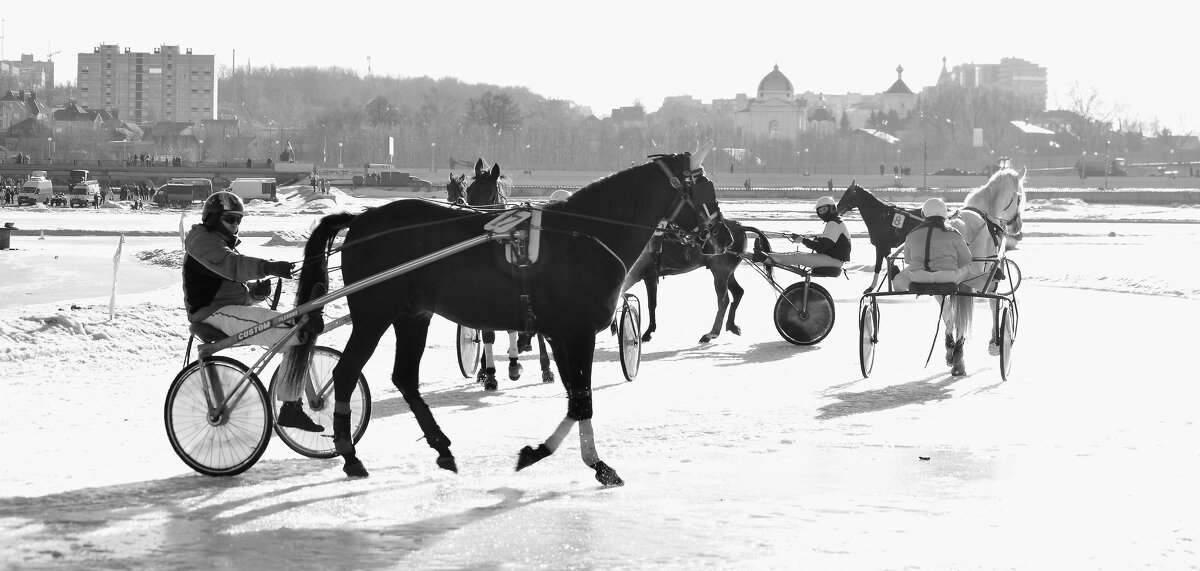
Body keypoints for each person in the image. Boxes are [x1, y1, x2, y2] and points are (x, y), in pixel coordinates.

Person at [182, 191, 323, 432]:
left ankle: (291, 403)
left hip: (225, 311)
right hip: (211, 314)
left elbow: (232, 287)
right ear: (213, 218)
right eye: (230, 219)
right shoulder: (202, 242)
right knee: (296, 328)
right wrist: (268, 267)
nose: (236, 225)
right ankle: (290, 408)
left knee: (298, 330)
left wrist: (255, 294)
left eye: (239, 220)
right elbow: (233, 267)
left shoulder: (218, 243)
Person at [891, 198, 973, 292]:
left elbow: (908, 260)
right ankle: (991, 287)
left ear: (923, 214)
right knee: (968, 269)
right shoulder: (954, 234)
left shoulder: (912, 234)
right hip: (947, 278)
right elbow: (966, 260)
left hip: (918, 278)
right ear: (945, 215)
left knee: (900, 280)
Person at [753, 196, 851, 270]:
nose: (823, 213)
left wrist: (803, 240)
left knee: (797, 256)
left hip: (834, 261)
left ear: (832, 208)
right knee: (796, 255)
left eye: (824, 210)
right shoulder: (835, 222)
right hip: (833, 259)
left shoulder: (834, 223)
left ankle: (766, 257)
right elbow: (827, 240)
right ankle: (767, 256)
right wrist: (808, 237)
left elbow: (822, 247)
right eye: (820, 211)